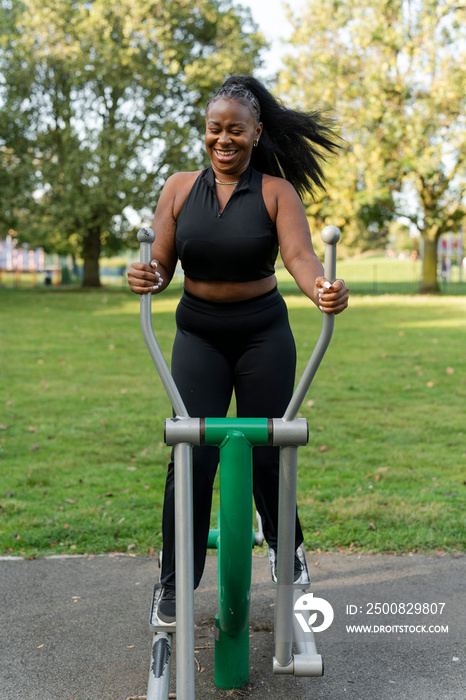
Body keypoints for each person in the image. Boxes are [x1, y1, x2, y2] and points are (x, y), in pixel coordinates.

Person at [127, 75, 349, 624]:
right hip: (198, 333)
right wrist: (147, 274)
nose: (222, 140)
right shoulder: (179, 188)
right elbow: (160, 259)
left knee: (268, 445)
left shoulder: (276, 191)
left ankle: (284, 548)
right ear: (204, 133)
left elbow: (299, 256)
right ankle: (174, 581)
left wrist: (321, 286)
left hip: (262, 333)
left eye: (235, 131)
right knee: (191, 453)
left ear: (256, 134)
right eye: (213, 130)